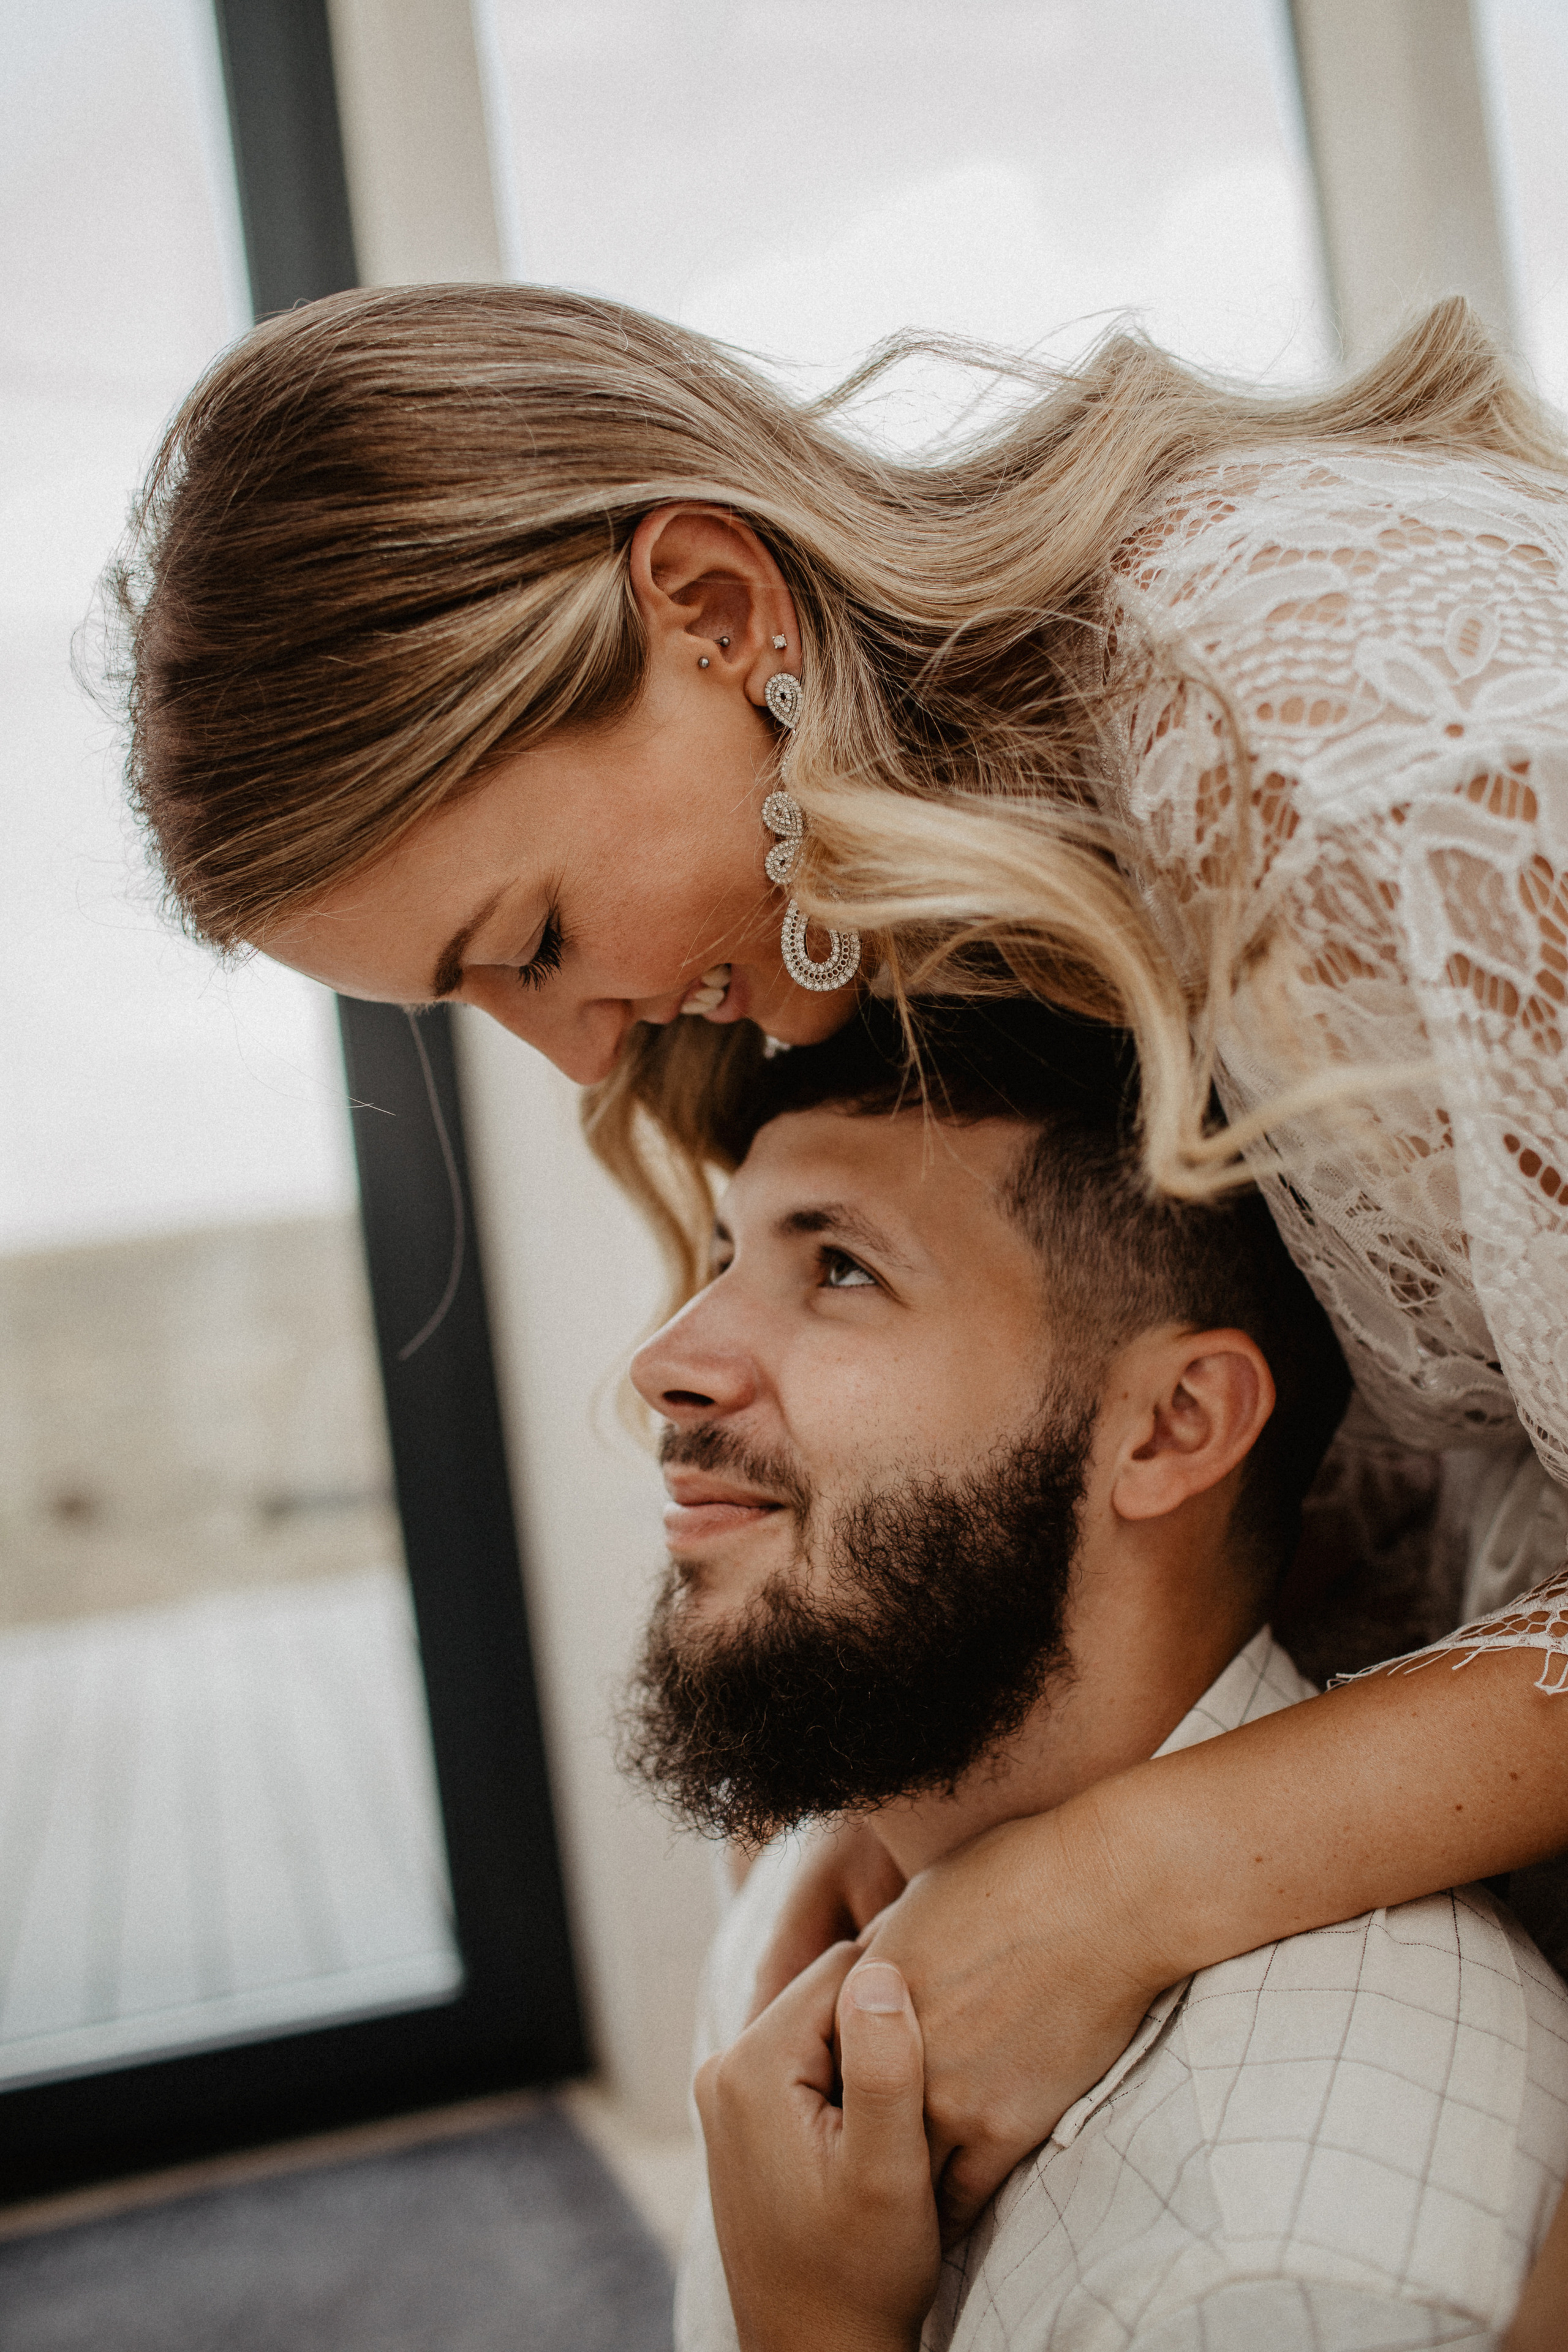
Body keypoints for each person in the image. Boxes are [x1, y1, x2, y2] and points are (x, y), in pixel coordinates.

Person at [108, 282, 1568, 2233]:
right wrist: (918, 1783)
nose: (582, 1044)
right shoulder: (952, 899)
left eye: (535, 939)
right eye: (473, 1005)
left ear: (711, 604)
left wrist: (1130, 1877)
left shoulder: (1345, 730)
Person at [618, 1000, 1568, 2351]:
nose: (665, 1364)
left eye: (837, 1267)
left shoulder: (1262, 2269)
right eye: (725, 1255)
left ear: (1171, 1425)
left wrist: (812, 2327)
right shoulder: (831, 1873)